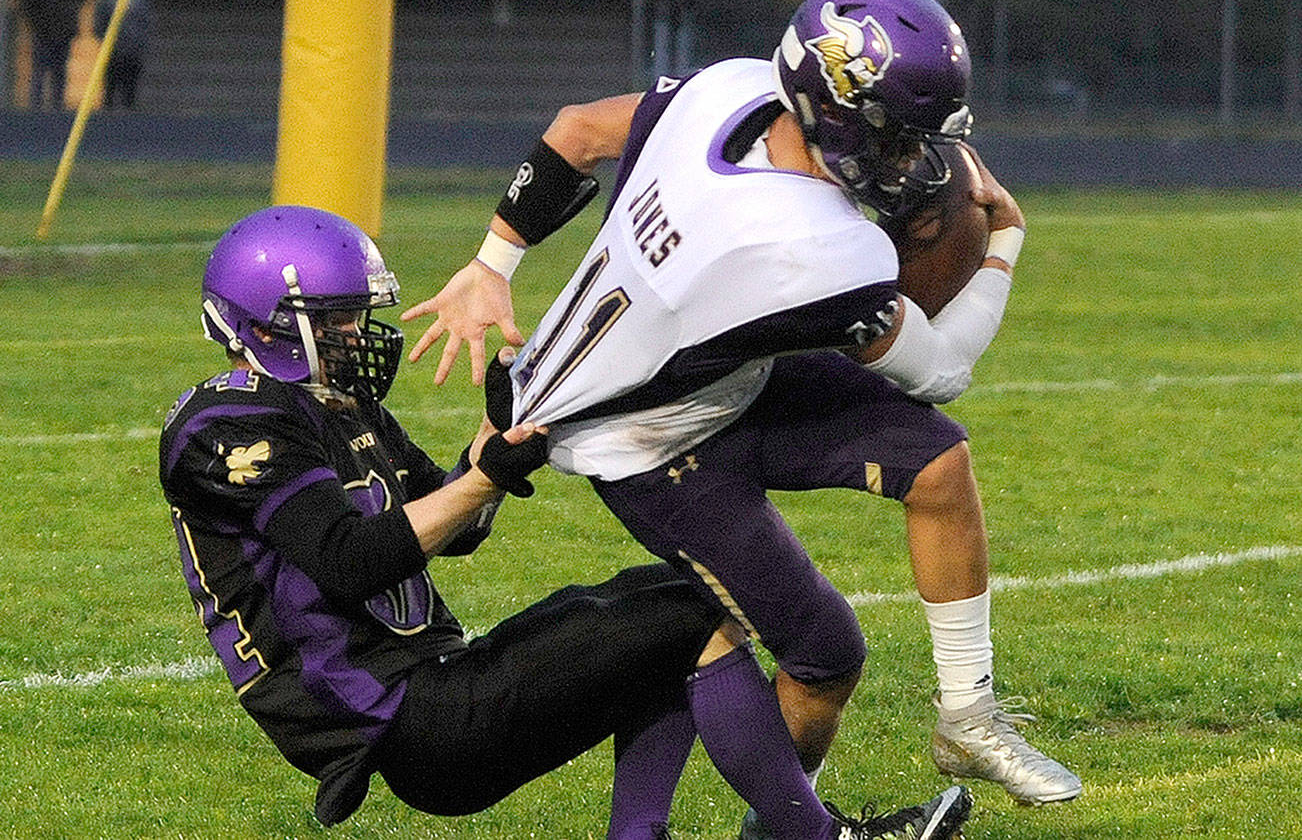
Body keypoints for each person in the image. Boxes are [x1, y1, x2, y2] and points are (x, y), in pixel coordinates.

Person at [400, 0, 1082, 827]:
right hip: (643, 442)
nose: (916, 163)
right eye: (903, 139)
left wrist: (491, 264)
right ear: (844, 116)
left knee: (937, 463)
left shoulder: (734, 90)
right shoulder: (814, 250)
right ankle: (787, 827)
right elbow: (941, 367)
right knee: (824, 652)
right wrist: (1004, 243)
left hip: (703, 376)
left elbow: (578, 131)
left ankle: (967, 718)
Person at [158, 204, 972, 840]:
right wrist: (481, 482)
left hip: (434, 686)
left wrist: (496, 436)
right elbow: (350, 561)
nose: (354, 334)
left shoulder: (338, 406)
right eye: (335, 318)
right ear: (266, 322)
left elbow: (455, 523)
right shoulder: (224, 425)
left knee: (672, 602)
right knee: (689, 616)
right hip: (402, 719)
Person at [19, 0, 82, 111]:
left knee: (58, 71)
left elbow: (76, 0)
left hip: (62, 31)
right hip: (44, 31)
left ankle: (56, 105)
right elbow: (28, 1)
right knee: (41, 70)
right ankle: (36, 107)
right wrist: (36, 25)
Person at [92, 0, 153, 110]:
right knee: (110, 88)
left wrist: (139, 44)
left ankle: (128, 114)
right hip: (113, 53)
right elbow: (99, 25)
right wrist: (106, 42)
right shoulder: (107, 0)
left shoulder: (139, 1)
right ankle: (108, 115)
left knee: (130, 90)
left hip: (132, 52)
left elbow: (146, 25)